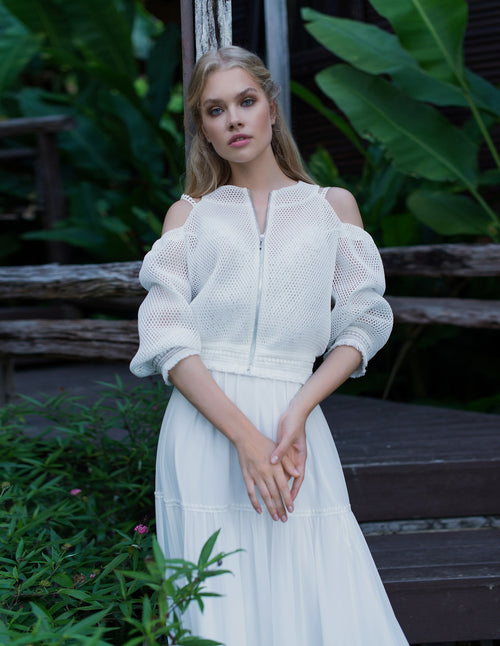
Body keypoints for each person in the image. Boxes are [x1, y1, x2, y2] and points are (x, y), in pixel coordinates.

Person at [130, 45, 408, 646]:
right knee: (218, 604)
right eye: (214, 109)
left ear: (271, 109)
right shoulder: (190, 217)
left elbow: (365, 320)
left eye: (245, 102)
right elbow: (167, 338)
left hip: (293, 424)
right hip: (205, 430)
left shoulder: (331, 209)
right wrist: (244, 438)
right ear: (202, 127)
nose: (233, 119)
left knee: (320, 592)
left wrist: (300, 408)